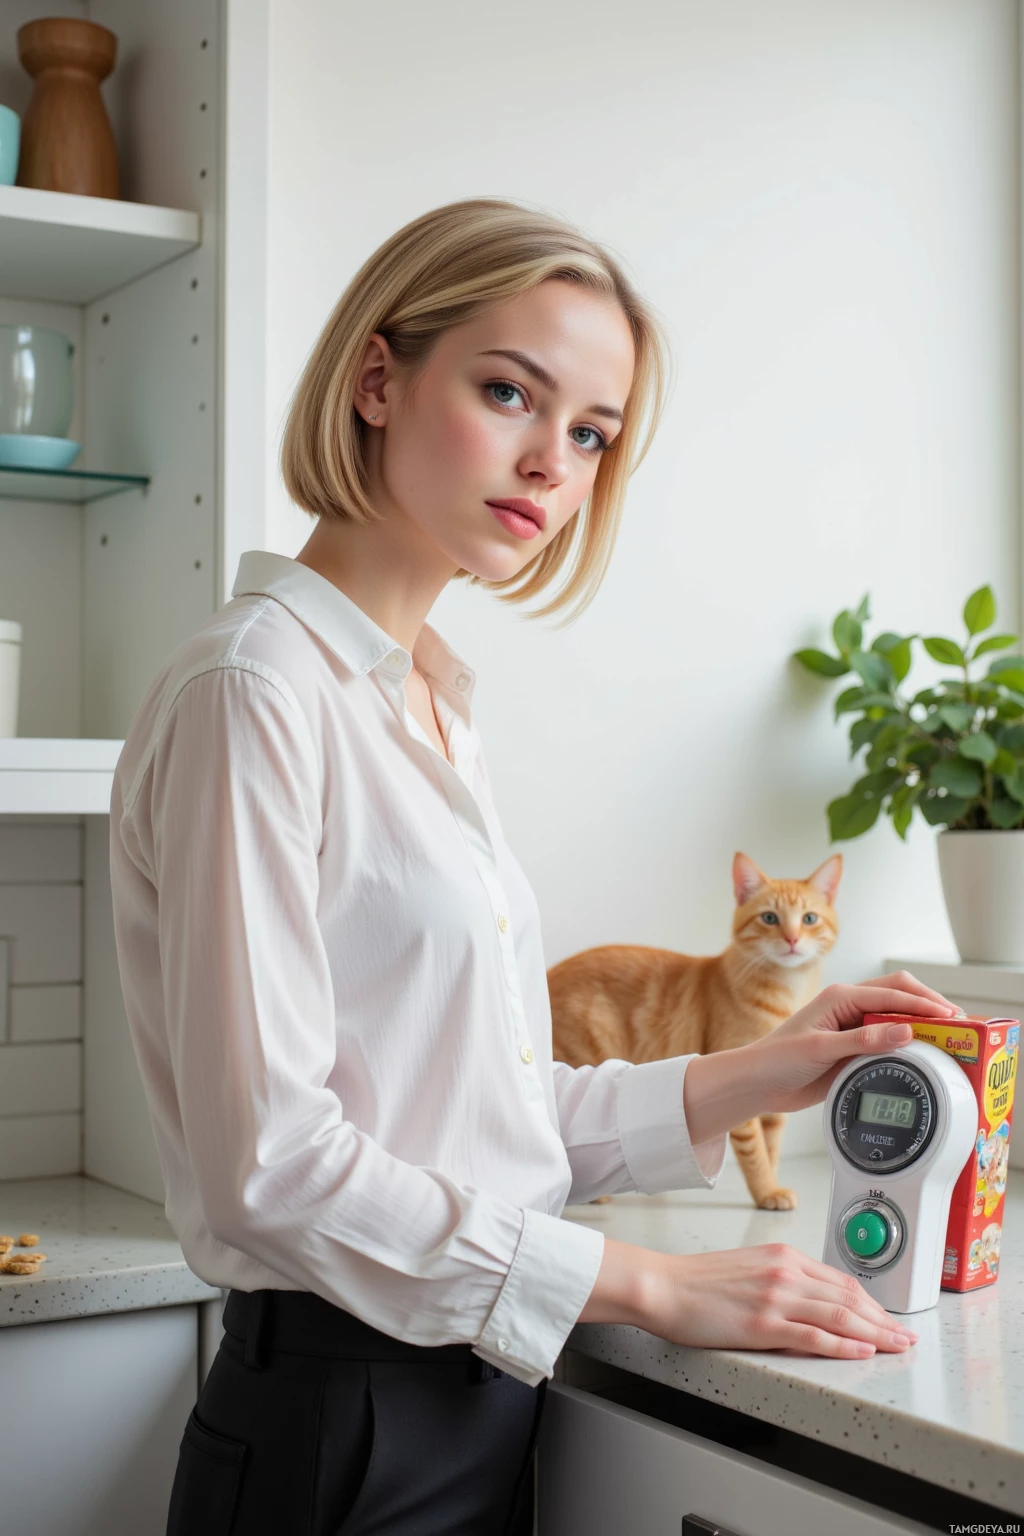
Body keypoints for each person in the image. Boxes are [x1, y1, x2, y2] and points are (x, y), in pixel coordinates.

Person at [108, 197, 960, 1536]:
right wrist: (652, 1283)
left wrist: (773, 1061)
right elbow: (267, 1166)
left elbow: (468, 1124)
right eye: (509, 391)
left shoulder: (434, 700)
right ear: (378, 380)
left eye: (591, 434)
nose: (552, 464)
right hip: (343, 1417)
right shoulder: (256, 690)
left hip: (476, 1388)